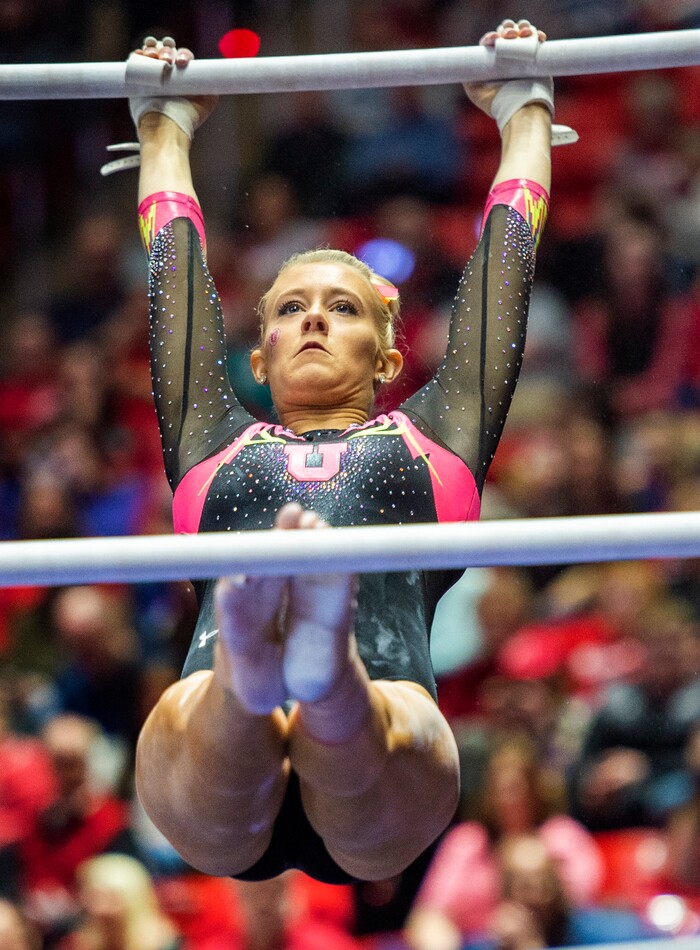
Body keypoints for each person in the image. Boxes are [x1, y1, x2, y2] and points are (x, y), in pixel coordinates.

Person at [129, 18, 553, 885]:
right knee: (209, 726)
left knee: (360, 738)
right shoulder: (211, 439)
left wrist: (525, 106)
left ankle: (319, 671)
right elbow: (174, 271)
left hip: (389, 742)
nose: (313, 318)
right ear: (260, 359)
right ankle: (265, 672)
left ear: (392, 359)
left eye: (344, 307)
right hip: (211, 745)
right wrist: (163, 122)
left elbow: (504, 267)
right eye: (288, 309)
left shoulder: (434, 438)